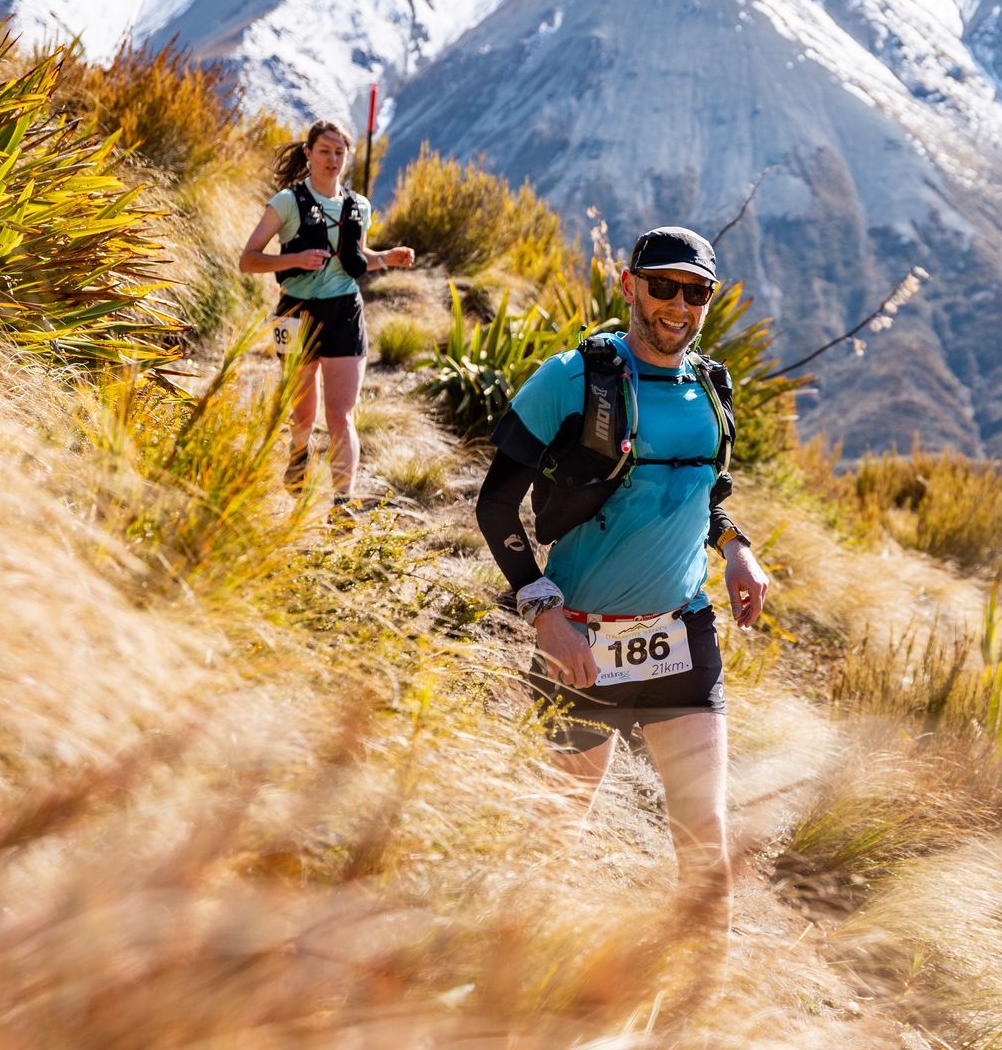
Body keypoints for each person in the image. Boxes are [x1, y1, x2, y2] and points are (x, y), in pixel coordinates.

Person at [474, 226, 771, 921]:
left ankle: (704, 1012)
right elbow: (494, 506)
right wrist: (545, 613)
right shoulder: (570, 378)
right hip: (581, 643)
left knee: (705, 839)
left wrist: (735, 548)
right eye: (662, 286)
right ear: (630, 284)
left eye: (695, 292)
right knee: (557, 831)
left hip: (682, 638)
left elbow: (706, 493)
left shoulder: (712, 385)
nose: (678, 305)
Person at [239, 120, 415, 514]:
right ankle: (298, 458)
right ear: (308, 153)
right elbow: (247, 260)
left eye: (339, 152)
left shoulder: (358, 206)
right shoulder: (286, 202)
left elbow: (356, 258)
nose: (332, 159)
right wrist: (295, 259)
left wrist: (387, 259)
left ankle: (342, 502)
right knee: (303, 411)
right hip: (296, 311)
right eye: (324, 151)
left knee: (341, 412)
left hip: (344, 311)